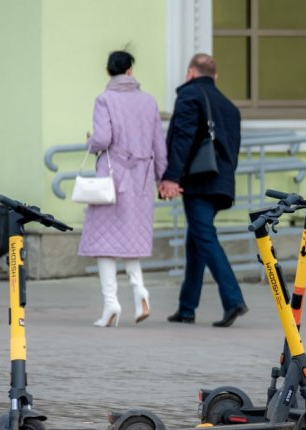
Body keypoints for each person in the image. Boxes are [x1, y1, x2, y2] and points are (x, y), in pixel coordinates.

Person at [78, 50, 167, 328]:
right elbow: (159, 146)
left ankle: (111, 304)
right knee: (131, 239)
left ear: (109, 72)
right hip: (141, 179)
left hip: (112, 180)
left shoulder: (105, 99)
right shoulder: (149, 102)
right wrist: (161, 178)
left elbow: (104, 138)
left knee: (104, 243)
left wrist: (90, 142)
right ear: (130, 71)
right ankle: (140, 291)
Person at [159, 53, 248, 327]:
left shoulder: (190, 96)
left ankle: (233, 300)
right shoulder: (230, 107)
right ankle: (187, 308)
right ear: (215, 76)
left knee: (205, 238)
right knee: (196, 239)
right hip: (221, 182)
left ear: (190, 73)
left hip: (199, 181)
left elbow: (183, 138)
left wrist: (172, 177)